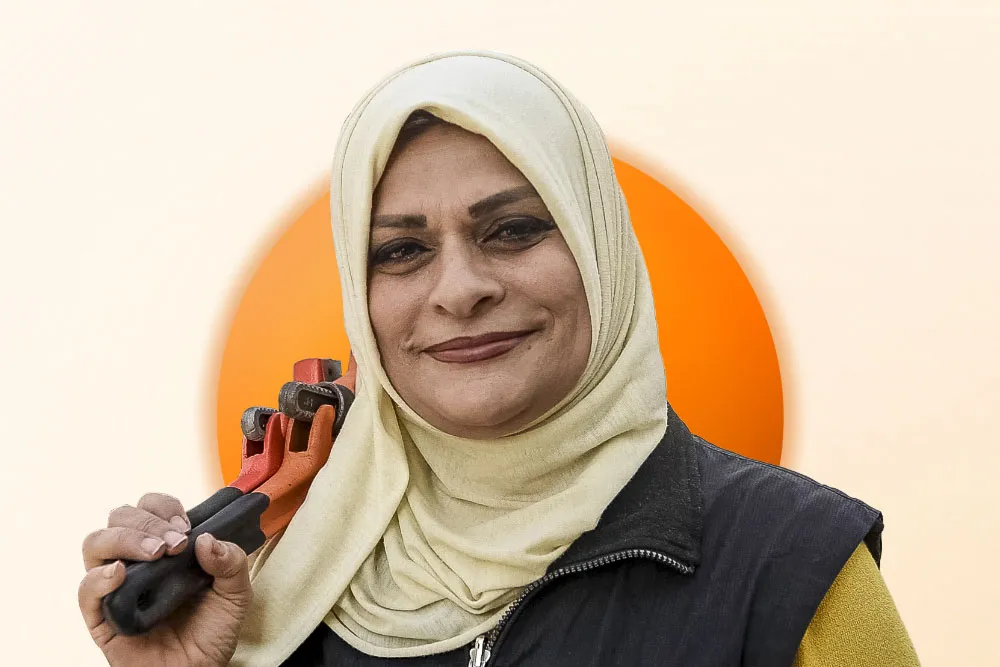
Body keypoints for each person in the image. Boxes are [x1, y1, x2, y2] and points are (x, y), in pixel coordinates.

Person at [78, 51, 920, 666]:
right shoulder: (277, 587)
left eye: (513, 230)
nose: (461, 288)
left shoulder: (791, 564)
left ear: (602, 254)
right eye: (402, 251)